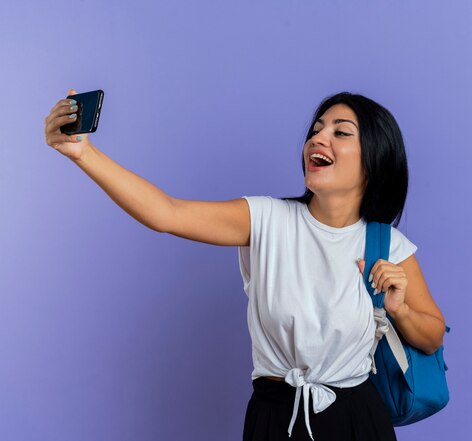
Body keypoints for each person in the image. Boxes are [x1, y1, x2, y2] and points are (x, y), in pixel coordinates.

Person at [44, 89, 447, 440]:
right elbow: (166, 212)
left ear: (373, 159)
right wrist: (84, 153)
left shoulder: (386, 244)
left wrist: (401, 311)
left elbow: (431, 337)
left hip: (358, 418)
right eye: (316, 129)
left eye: (340, 132)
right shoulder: (267, 219)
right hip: (275, 415)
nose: (318, 138)